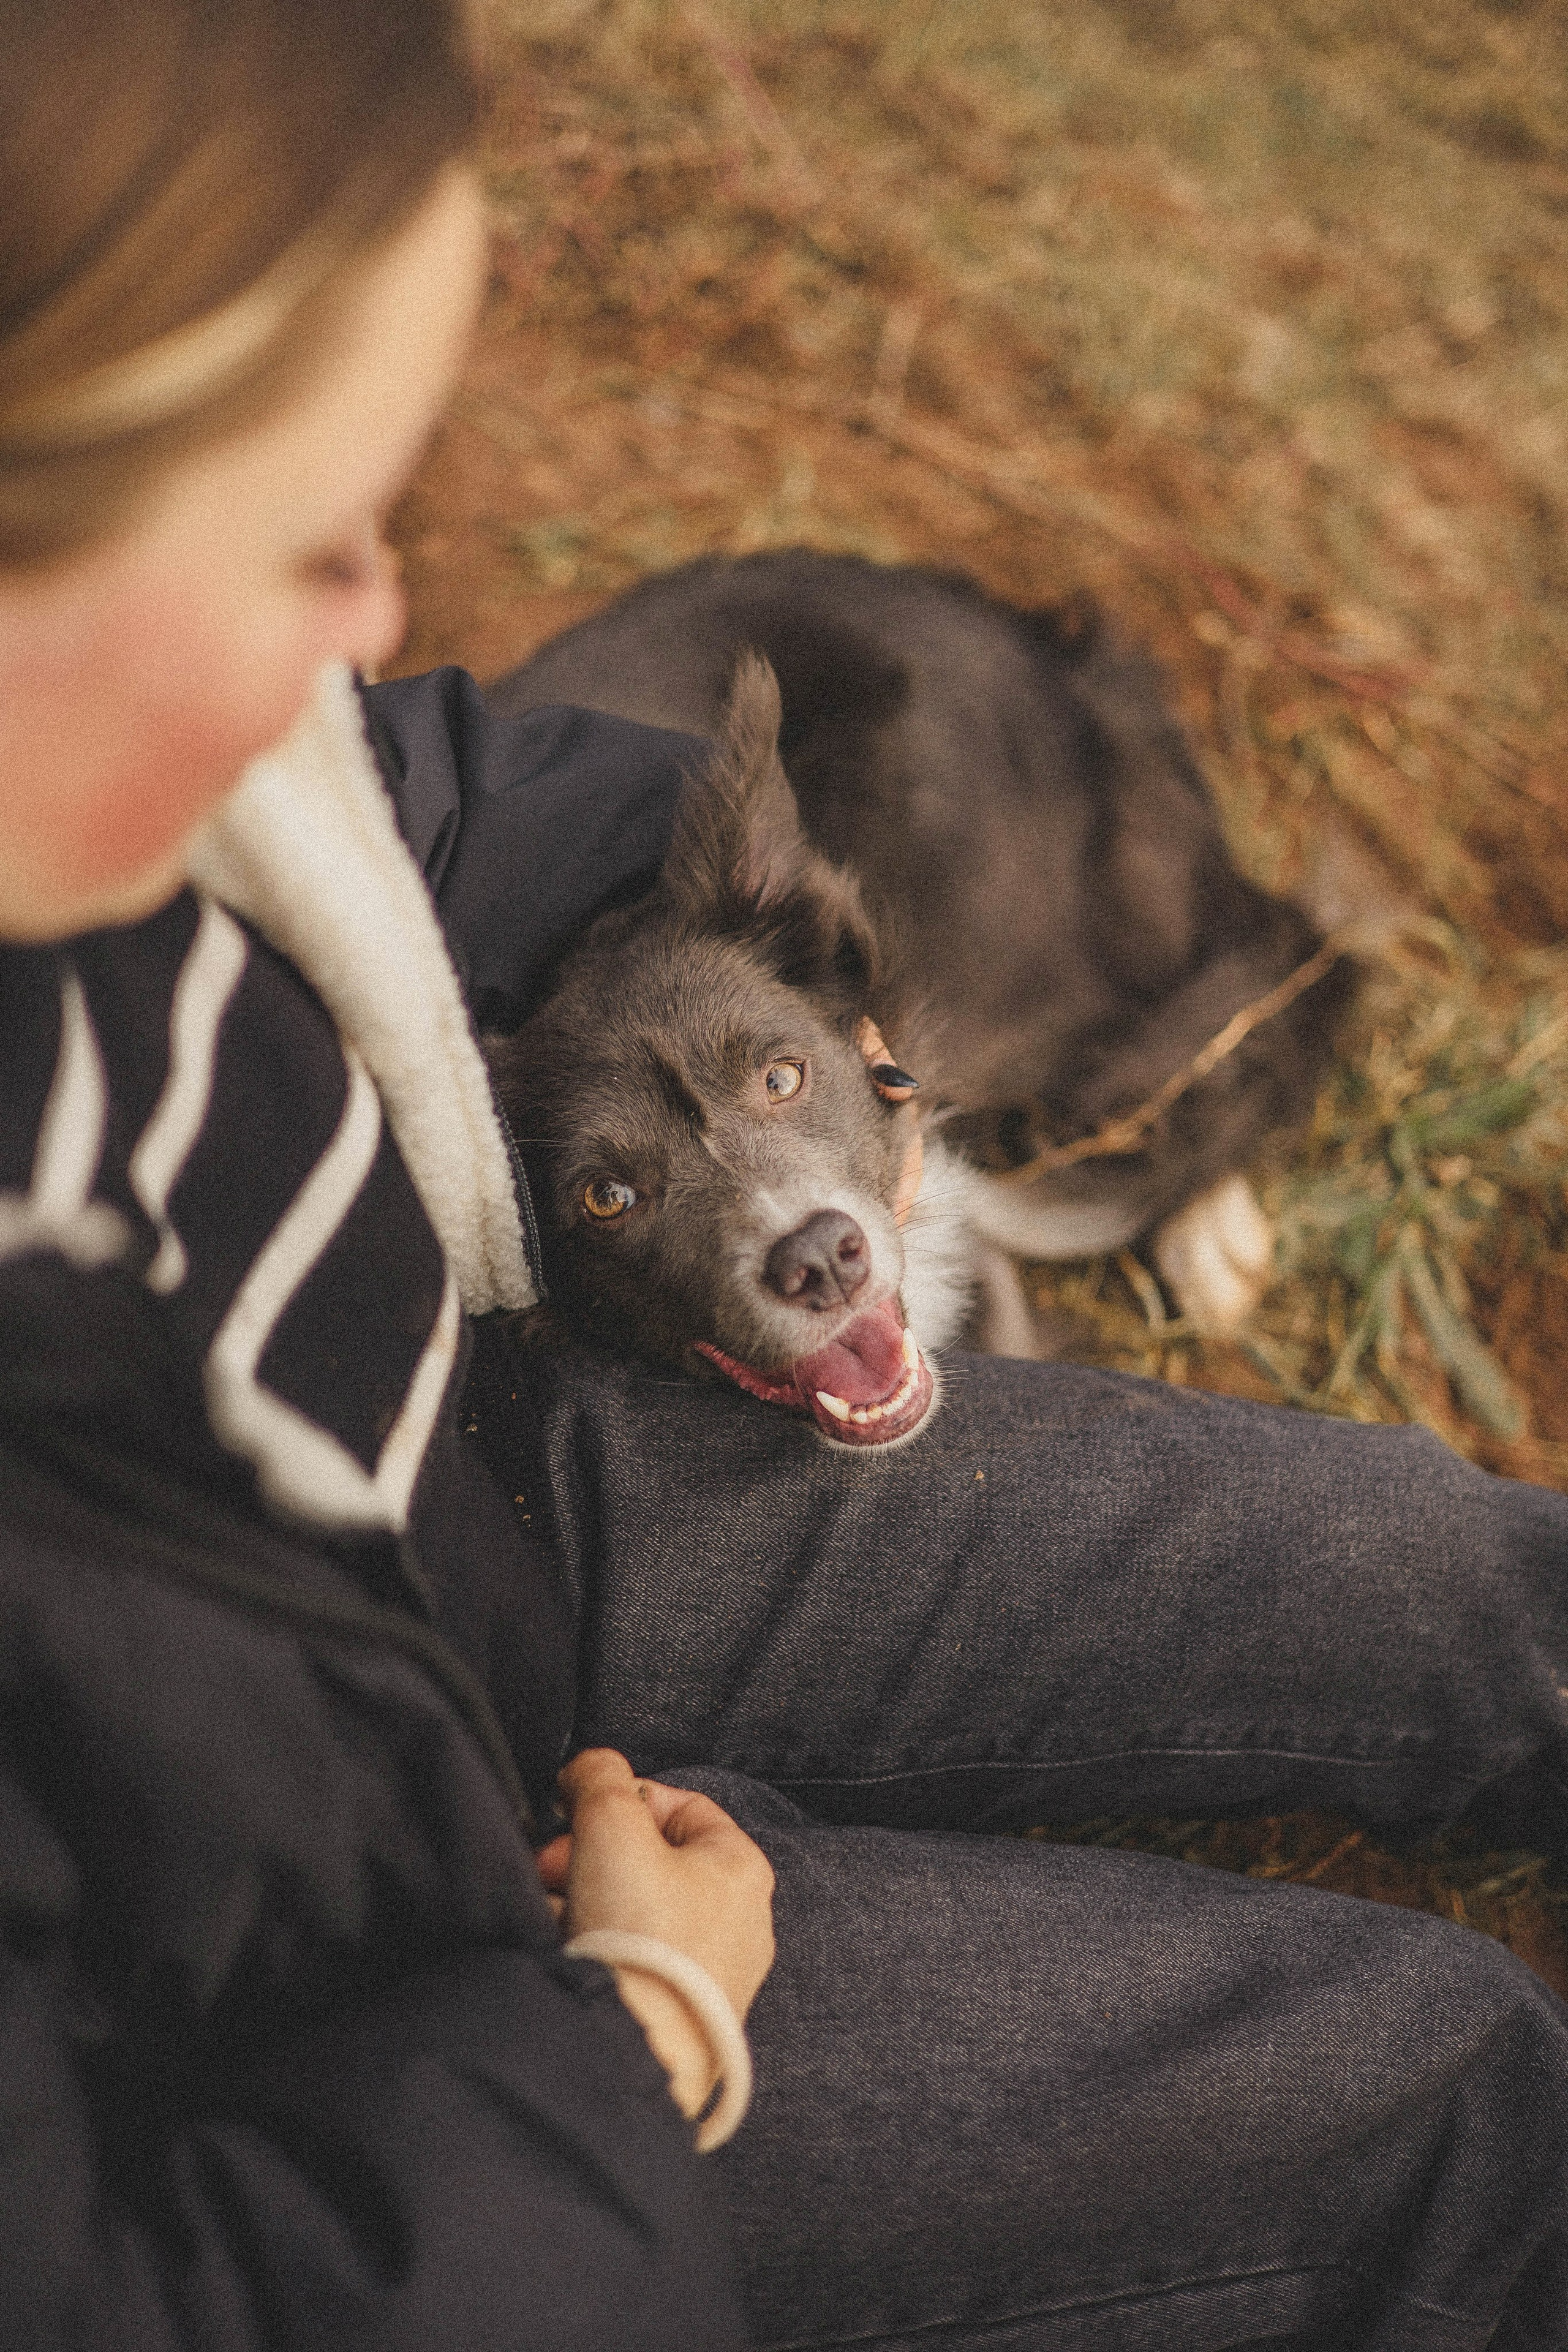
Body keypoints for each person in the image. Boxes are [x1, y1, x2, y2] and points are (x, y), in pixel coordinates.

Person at [1, 4, 1565, 2347]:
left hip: (515, 1480)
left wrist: (745, 970)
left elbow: (397, 789)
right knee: (1447, 2082)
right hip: (397, 2001)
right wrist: (630, 2038)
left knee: (1460, 1575)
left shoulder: (167, 783)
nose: (378, 620)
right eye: (301, 541)